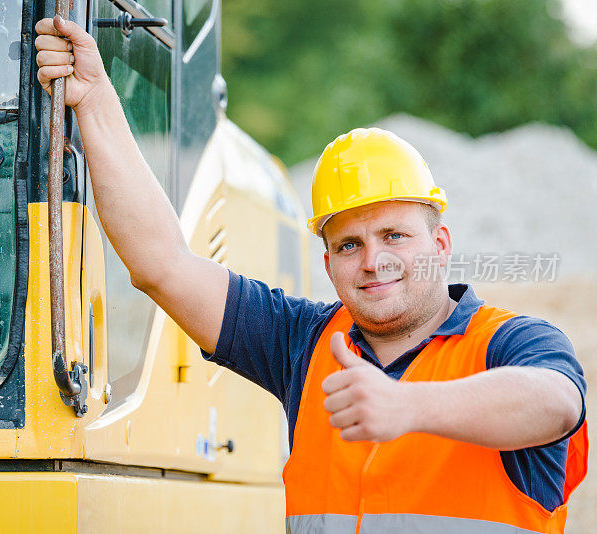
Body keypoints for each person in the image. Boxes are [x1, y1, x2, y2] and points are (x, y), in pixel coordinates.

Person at [34, 16, 587, 533]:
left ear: (440, 243)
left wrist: (408, 406)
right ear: (328, 263)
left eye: (395, 235)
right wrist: (95, 99)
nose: (373, 261)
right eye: (350, 244)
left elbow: (556, 403)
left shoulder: (512, 343)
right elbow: (163, 265)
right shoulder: (302, 343)